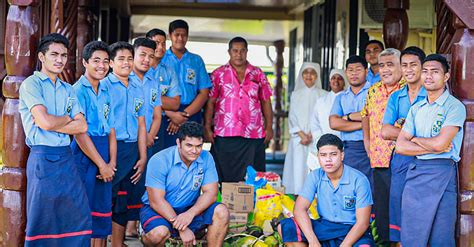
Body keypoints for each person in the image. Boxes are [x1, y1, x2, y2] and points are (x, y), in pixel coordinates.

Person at [19, 33, 90, 246]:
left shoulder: (68, 89)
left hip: (66, 158)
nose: (60, 60)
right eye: (54, 54)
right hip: (42, 157)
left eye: (64, 55)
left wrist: (57, 122)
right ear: (42, 57)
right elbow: (45, 122)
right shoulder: (31, 84)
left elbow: (83, 126)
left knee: (78, 217)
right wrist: (68, 120)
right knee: (43, 221)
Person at [396, 54, 466, 246]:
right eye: (425, 71)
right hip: (417, 174)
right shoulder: (416, 108)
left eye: (435, 72)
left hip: (442, 173)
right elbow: (401, 146)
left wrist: (416, 139)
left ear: (446, 77)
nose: (428, 76)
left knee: (441, 238)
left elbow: (440, 144)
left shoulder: (454, 106)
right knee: (412, 238)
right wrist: (433, 145)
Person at [140, 122, 230, 246]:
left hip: (189, 208)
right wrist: (182, 228)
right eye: (189, 145)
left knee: (222, 211)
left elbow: (211, 193)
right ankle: (148, 234)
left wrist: (190, 214)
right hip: (158, 210)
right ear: (178, 143)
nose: (194, 151)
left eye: (199, 146)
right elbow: (156, 201)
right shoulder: (160, 160)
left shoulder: (206, 157)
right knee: (158, 234)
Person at [278, 134, 374, 247]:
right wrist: (312, 240)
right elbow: (299, 209)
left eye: (333, 154)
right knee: (285, 227)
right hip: (324, 228)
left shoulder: (359, 180)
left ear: (342, 155)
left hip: (352, 230)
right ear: (318, 156)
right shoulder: (315, 176)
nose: (328, 159)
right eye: (323, 155)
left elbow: (362, 223)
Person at [205, 37, 273, 182]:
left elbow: (266, 101)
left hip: (253, 133)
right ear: (229, 52)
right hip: (225, 132)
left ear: (247, 52)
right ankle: (226, 202)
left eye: (242, 50)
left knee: (254, 177)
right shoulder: (218, 74)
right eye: (235, 51)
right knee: (223, 175)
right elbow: (210, 102)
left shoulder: (258, 74)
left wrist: (269, 127)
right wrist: (207, 127)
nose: (239, 54)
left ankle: (252, 203)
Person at [71, 40, 117, 247]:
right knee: (83, 208)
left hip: (105, 153)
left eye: (106, 61)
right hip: (85, 153)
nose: (101, 66)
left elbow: (111, 130)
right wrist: (101, 165)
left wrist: (111, 162)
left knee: (101, 208)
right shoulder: (77, 91)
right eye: (96, 60)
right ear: (85, 63)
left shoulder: (107, 91)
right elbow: (80, 134)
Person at [102, 41, 147, 247]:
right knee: (105, 198)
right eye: (121, 59)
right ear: (111, 63)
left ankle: (118, 244)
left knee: (123, 199)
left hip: (132, 149)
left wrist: (143, 156)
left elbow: (141, 122)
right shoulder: (104, 86)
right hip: (111, 148)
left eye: (130, 58)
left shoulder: (138, 86)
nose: (126, 63)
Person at [380, 46, 426, 242]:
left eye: (413, 65)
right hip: (400, 159)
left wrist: (402, 131)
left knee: (421, 208)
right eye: (404, 65)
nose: (408, 70)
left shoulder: (432, 93)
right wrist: (415, 137)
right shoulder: (396, 96)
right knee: (398, 207)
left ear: (423, 67)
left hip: (426, 159)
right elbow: (385, 131)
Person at [361, 48, 405, 245]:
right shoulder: (373, 89)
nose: (385, 69)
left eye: (390, 64)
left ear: (401, 66)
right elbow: (365, 116)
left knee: (401, 207)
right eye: (382, 65)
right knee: (382, 208)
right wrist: (368, 144)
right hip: (378, 159)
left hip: (403, 159)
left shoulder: (408, 88)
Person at [160, 19, 212, 149]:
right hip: (165, 113)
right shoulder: (161, 59)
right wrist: (171, 114)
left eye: (183, 35)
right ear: (170, 36)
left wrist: (183, 116)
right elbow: (150, 93)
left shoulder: (196, 60)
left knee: (191, 152)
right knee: (167, 152)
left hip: (191, 112)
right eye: (176, 34)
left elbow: (204, 92)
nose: (180, 38)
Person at [282, 62, 326, 194]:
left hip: (315, 138)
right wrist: (301, 135)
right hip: (298, 139)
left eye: (312, 72)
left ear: (317, 76)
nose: (309, 75)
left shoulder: (324, 94)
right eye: (306, 72)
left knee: (314, 169)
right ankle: (297, 200)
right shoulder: (296, 94)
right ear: (301, 75)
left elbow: (323, 117)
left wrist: (312, 134)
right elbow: (292, 117)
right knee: (298, 171)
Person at [329, 55, 372, 183]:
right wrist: (365, 122)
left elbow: (377, 117)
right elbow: (334, 123)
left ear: (366, 71)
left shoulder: (375, 92)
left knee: (369, 189)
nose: (354, 73)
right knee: (349, 187)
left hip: (369, 147)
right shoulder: (341, 97)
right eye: (350, 70)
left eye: (358, 69)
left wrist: (347, 117)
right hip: (347, 148)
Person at [146, 28, 182, 152]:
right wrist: (169, 112)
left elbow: (175, 103)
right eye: (156, 43)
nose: (160, 47)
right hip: (139, 122)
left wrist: (150, 99)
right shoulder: (139, 68)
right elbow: (136, 97)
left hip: (160, 124)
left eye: (163, 43)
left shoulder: (169, 71)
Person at [308, 69, 347, 170]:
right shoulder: (321, 101)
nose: (336, 81)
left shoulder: (349, 99)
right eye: (333, 78)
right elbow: (314, 123)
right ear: (330, 81)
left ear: (345, 81)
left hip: (343, 145)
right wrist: (321, 140)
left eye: (340, 78)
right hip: (323, 143)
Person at [129, 37, 163, 156]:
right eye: (142, 55)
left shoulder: (154, 83)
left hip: (147, 141)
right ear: (132, 55)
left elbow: (157, 116)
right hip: (127, 141)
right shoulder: (124, 79)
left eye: (151, 56)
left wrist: (150, 136)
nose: (147, 60)